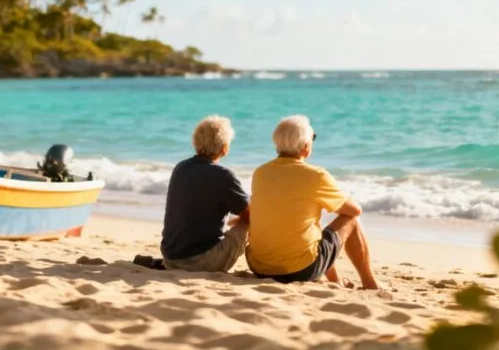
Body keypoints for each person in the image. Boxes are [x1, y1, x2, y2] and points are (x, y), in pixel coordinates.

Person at [247, 115, 380, 289]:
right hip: (298, 270)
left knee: (306, 223)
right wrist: (342, 196)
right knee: (351, 221)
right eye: (313, 138)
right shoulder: (316, 175)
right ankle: (370, 283)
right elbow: (354, 211)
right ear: (305, 146)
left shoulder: (260, 173)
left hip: (260, 267)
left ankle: (336, 281)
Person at [160, 115, 250, 273]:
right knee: (246, 223)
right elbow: (250, 214)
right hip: (201, 261)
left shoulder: (180, 168)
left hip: (171, 257)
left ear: (195, 144)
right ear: (225, 148)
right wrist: (238, 221)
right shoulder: (224, 175)